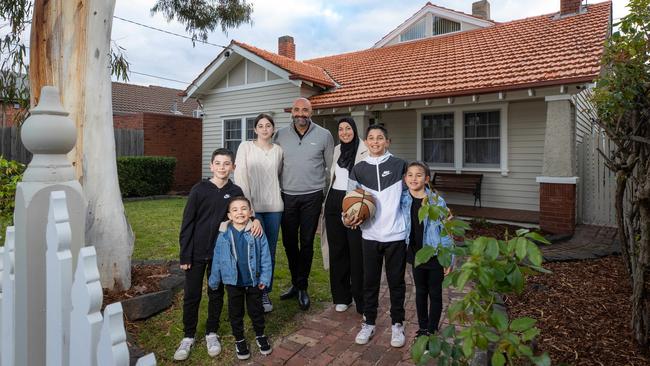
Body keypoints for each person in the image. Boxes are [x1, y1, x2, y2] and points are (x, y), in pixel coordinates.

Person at [174, 148, 262, 361]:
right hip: (196, 252)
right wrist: (185, 255)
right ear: (211, 166)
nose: (222, 167)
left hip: (221, 254)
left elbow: (242, 212)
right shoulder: (199, 189)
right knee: (192, 294)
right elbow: (187, 224)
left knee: (216, 292)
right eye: (218, 163)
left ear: (233, 167)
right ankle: (188, 335)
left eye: (227, 164)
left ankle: (211, 332)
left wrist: (256, 219)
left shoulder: (235, 190)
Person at [344, 124, 408, 348]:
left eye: (380, 138)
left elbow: (413, 197)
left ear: (387, 142)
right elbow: (348, 203)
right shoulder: (358, 169)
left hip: (395, 235)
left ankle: (397, 324)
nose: (375, 142)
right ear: (366, 142)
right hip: (369, 235)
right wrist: (347, 218)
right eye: (371, 138)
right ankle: (368, 322)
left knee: (396, 283)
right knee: (369, 283)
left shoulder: (400, 165)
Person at [274, 97, 334, 310]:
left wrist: (326, 196)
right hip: (286, 196)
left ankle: (302, 287)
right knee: (289, 242)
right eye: (297, 110)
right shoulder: (279, 135)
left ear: (312, 111)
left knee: (306, 242)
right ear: (292, 111)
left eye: (305, 110)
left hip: (312, 196)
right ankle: (295, 282)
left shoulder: (324, 135)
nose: (301, 113)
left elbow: (331, 168)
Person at [208, 196, 273, 360]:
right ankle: (240, 339)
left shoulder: (257, 233)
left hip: (253, 281)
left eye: (244, 208)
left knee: (256, 311)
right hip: (233, 282)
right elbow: (217, 259)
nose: (240, 212)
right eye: (235, 210)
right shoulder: (223, 236)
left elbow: (265, 257)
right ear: (229, 215)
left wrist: (264, 279)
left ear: (251, 212)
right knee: (235, 312)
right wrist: (214, 280)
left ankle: (260, 334)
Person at [234, 113, 283, 313]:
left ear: (273, 129)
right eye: (260, 126)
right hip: (252, 210)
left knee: (268, 252)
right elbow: (240, 177)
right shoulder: (245, 147)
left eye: (268, 125)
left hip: (274, 209)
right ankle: (250, 290)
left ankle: (264, 292)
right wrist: (249, 211)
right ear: (255, 129)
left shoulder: (278, 151)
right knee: (251, 250)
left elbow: (277, 176)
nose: (264, 129)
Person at [401, 161, 453, 338]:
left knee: (435, 292)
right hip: (416, 254)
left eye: (419, 175)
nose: (414, 178)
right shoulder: (403, 198)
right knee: (420, 291)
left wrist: (449, 258)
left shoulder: (437, 201)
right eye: (410, 174)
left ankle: (432, 329)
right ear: (405, 178)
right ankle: (423, 328)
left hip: (435, 254)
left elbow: (445, 231)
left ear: (427, 179)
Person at [321, 117, 368, 314]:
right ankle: (342, 297)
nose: (344, 132)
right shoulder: (337, 150)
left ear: (354, 130)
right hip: (334, 200)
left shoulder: (364, 149)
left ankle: (361, 299)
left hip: (354, 202)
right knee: (337, 250)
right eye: (340, 129)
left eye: (348, 128)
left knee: (356, 252)